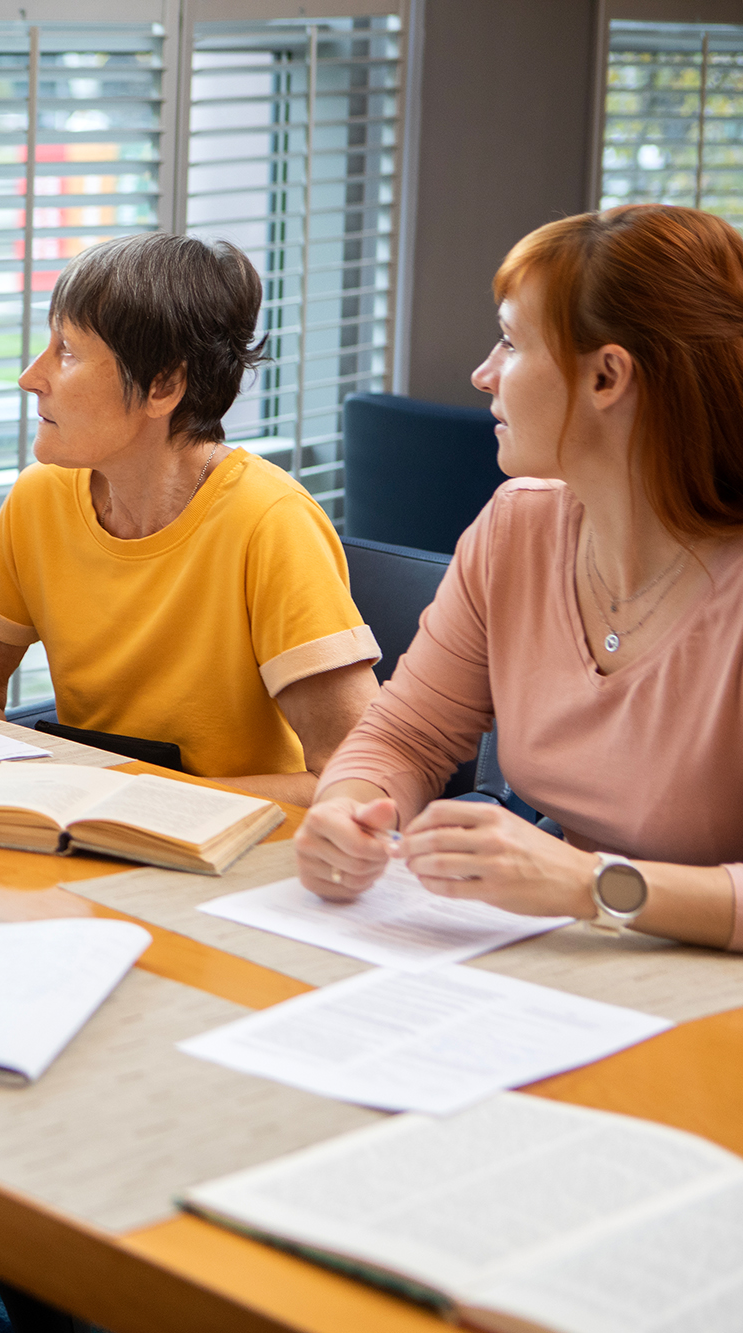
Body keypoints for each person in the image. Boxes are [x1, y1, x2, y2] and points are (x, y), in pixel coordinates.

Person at [296, 204, 743, 951]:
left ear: (608, 376)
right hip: (577, 963)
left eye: (509, 341)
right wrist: (350, 810)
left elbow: (583, 885)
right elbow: (406, 735)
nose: (482, 372)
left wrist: (588, 883)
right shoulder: (517, 527)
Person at [0, 232, 381, 806]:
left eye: (66, 350)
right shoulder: (39, 498)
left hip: (235, 852)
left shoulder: (271, 523)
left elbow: (361, 782)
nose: (31, 376)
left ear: (163, 384)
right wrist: (29, 778)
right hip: (92, 830)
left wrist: (145, 799)